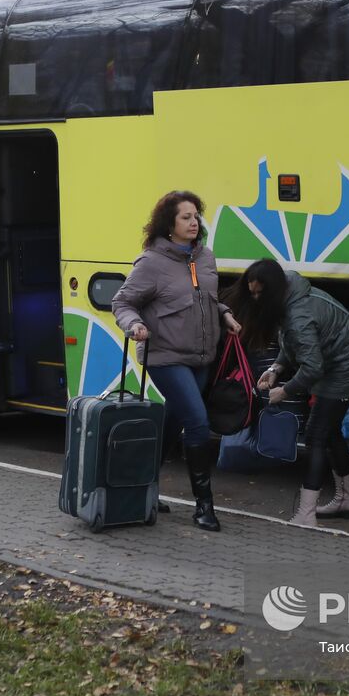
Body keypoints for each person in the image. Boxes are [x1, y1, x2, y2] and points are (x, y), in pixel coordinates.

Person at [112, 190, 241, 532]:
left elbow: (208, 299)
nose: (193, 222)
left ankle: (141, 487)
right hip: (166, 356)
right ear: (169, 225)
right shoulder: (151, 262)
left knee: (173, 420)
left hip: (201, 355)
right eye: (185, 217)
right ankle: (204, 506)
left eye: (196, 216)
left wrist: (225, 314)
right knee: (197, 421)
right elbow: (122, 303)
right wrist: (134, 325)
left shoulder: (206, 258)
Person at [232, 259, 349, 526]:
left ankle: (306, 514)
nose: (254, 299)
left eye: (259, 293)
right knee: (329, 431)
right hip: (342, 362)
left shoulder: (298, 314)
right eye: (251, 292)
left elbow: (311, 366)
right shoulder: (288, 292)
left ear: (273, 289)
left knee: (315, 435)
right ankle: (347, 501)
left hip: (347, 369)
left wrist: (283, 392)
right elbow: (293, 341)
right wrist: (277, 367)